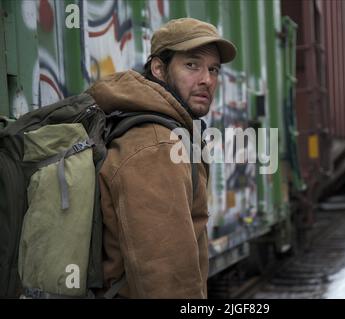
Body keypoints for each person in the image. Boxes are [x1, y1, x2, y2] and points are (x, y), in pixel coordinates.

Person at [86, 17, 236, 298]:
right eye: (192, 65)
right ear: (159, 68)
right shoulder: (156, 147)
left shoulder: (165, 133)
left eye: (213, 69)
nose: (207, 79)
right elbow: (167, 281)